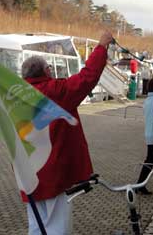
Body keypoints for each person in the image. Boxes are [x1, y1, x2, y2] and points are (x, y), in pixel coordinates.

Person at [21, 31, 113, 234]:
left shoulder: (14, 95)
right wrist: (102, 47)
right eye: (50, 69)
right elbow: (87, 77)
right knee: (57, 225)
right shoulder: (55, 91)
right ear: (46, 71)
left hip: (27, 171)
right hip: (53, 171)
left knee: (36, 225)